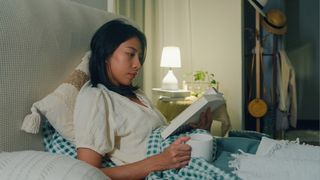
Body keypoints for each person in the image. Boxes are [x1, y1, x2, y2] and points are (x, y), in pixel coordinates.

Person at [73, 19, 213, 179]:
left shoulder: (138, 94)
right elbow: (86, 174)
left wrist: (200, 132)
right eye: (130, 54)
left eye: (139, 57)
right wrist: (159, 161)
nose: (138, 64)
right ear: (106, 54)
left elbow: (161, 137)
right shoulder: (96, 98)